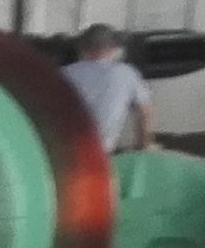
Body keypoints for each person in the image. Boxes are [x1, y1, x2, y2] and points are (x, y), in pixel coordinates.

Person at [65, 25, 153, 153]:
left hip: (64, 148)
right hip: (103, 152)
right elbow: (144, 112)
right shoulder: (127, 73)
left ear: (82, 49)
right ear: (114, 49)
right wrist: (144, 145)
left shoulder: (64, 73)